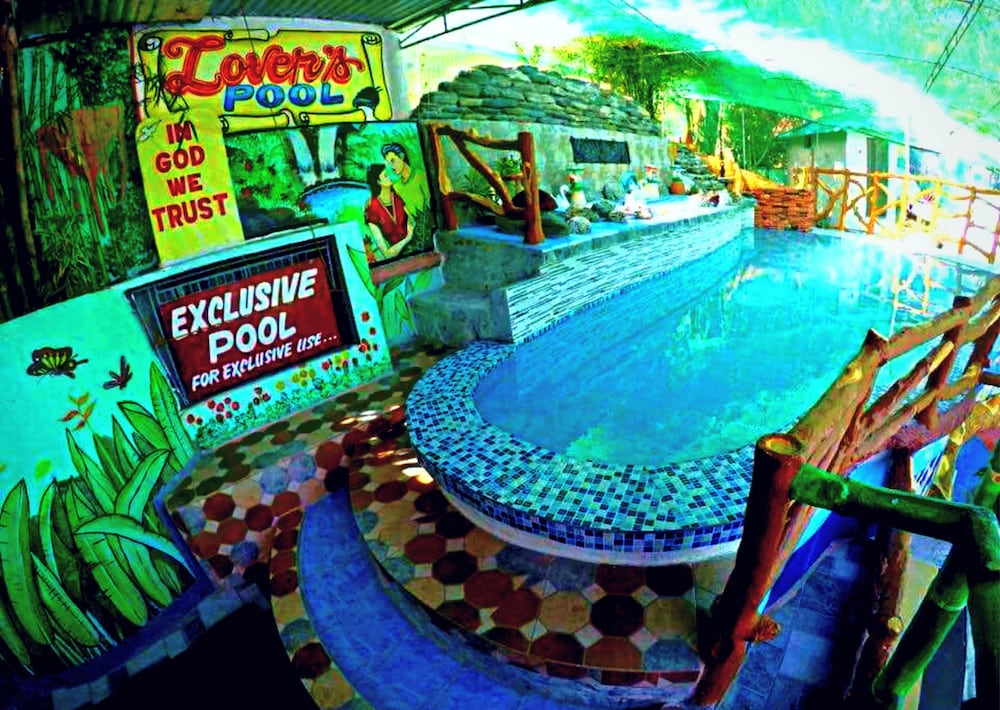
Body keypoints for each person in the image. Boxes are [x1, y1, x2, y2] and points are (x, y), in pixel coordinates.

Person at [364, 163, 412, 261]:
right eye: (386, 175)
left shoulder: (398, 197)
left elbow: (412, 220)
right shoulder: (372, 208)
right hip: (397, 260)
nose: (390, 177)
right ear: (378, 181)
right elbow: (387, 254)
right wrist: (408, 238)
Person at [381, 142, 430, 217]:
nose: (392, 166)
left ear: (401, 156)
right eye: (388, 163)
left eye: (393, 161)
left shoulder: (421, 177)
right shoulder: (397, 186)